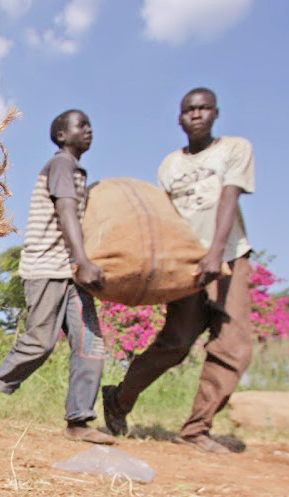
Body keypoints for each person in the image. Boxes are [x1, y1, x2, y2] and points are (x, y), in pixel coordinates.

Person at [102, 88, 255, 453]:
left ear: (215, 113)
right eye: (189, 110)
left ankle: (197, 428)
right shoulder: (170, 165)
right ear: (180, 118)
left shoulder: (234, 149)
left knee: (231, 348)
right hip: (187, 266)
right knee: (176, 343)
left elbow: (229, 199)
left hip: (229, 256)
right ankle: (119, 398)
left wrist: (216, 254)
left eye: (203, 108)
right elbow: (166, 220)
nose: (197, 114)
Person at [0, 110, 115, 445]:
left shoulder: (75, 169)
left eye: (90, 124)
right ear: (62, 136)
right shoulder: (61, 164)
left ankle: (78, 420)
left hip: (70, 271)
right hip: (47, 266)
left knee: (89, 342)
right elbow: (66, 210)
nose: (89, 129)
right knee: (40, 341)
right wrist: (84, 259)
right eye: (81, 125)